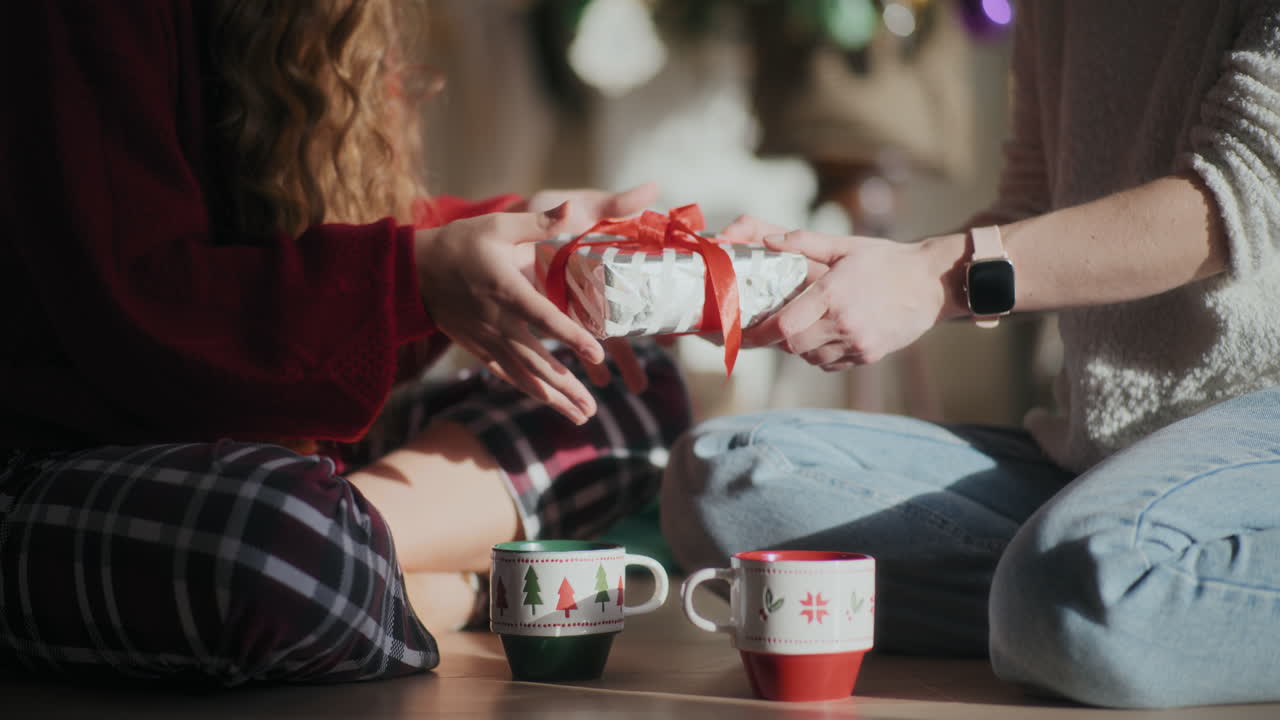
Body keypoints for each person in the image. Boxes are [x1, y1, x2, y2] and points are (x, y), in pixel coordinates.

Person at [0, 1, 688, 685]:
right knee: (282, 545)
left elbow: (347, 249)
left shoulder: (333, 20)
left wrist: (524, 245)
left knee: (630, 387)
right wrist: (415, 277)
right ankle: (453, 589)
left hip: (294, 463)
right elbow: (137, 312)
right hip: (71, 468)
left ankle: (364, 569)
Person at [662, 1, 1280, 709]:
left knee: (1081, 593)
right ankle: (1074, 593)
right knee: (722, 477)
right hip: (1097, 452)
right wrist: (852, 275)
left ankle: (1079, 591)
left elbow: (1239, 198)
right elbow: (1027, 214)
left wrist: (934, 276)